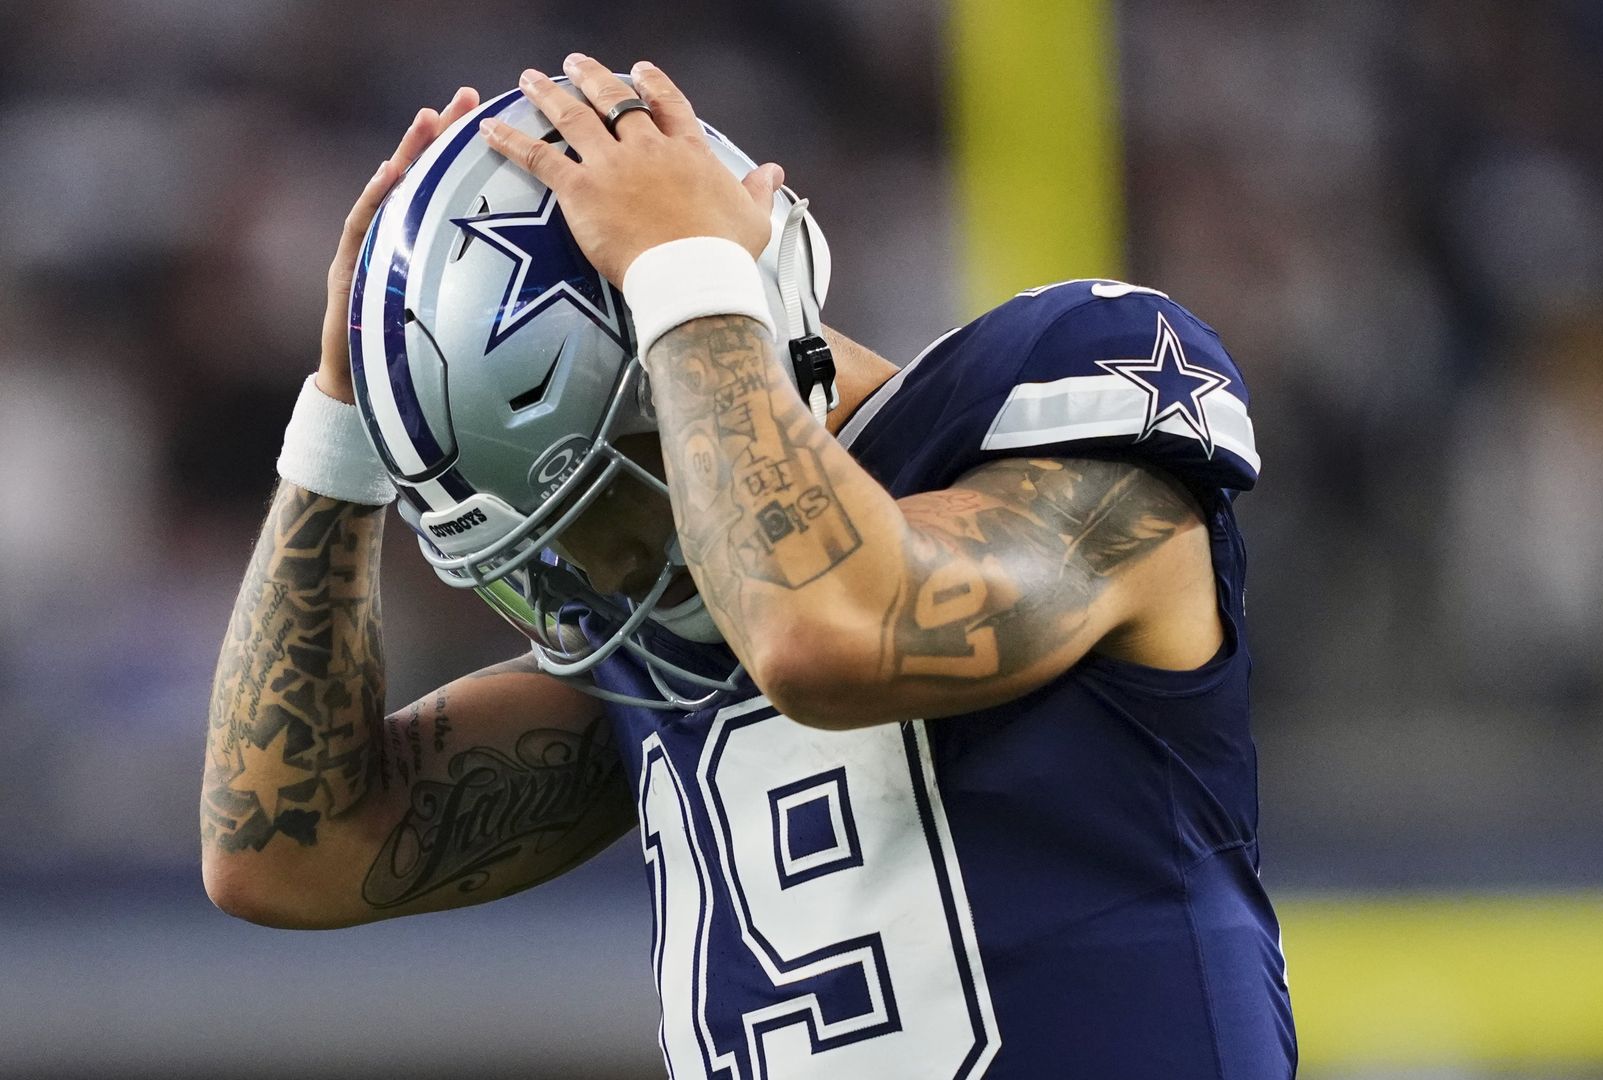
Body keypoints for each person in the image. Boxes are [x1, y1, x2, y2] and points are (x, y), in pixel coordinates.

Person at [201, 54, 1294, 1080]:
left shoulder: (1046, 402)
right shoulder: (664, 638)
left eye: (607, 500)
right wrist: (338, 428)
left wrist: (685, 275)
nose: (596, 571)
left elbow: (827, 632)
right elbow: (286, 851)